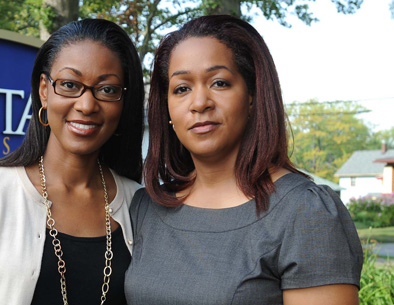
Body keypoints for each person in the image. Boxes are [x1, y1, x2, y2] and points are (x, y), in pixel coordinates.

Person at [125, 15, 363, 305]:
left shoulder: (305, 212)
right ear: (168, 108)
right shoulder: (147, 208)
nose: (199, 103)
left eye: (220, 82)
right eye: (182, 88)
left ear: (252, 95)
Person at [0, 19, 145, 305]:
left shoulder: (139, 206)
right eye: (69, 85)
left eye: (107, 90)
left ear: (123, 102)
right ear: (44, 90)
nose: (86, 105)